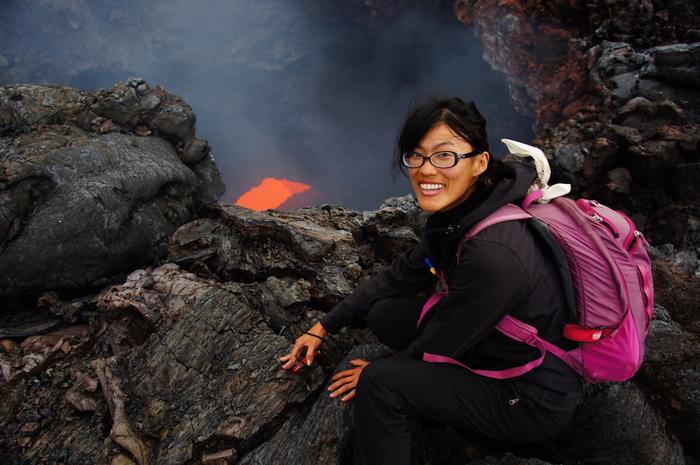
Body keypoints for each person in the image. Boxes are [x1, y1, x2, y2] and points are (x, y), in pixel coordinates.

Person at [279, 97, 582, 465]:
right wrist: (324, 326)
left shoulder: (493, 254)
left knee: (381, 383)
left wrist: (386, 372)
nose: (426, 170)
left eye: (444, 156)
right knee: (385, 314)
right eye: (416, 156)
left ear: (480, 162)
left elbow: (443, 341)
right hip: (497, 340)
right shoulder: (467, 213)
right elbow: (401, 275)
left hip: (529, 397)